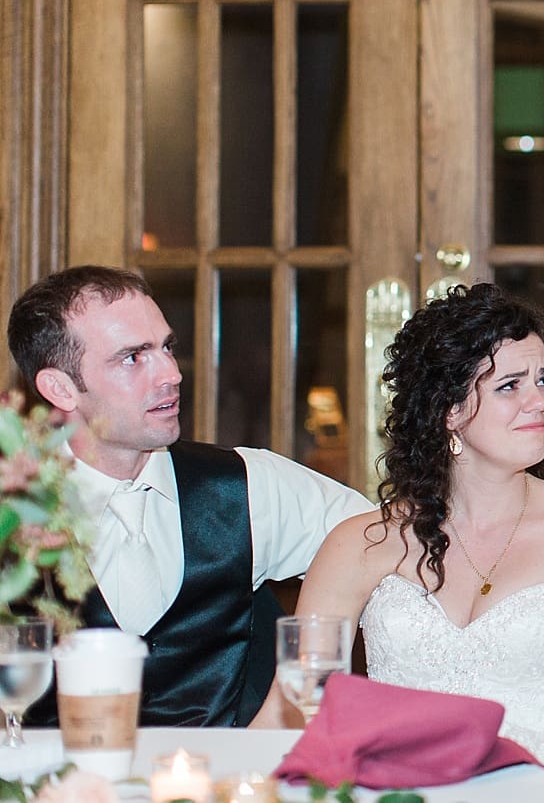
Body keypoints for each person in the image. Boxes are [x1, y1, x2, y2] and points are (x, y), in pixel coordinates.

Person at [259, 283, 544, 802]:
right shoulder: (359, 543)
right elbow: (286, 710)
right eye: (510, 386)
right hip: (395, 790)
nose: (540, 402)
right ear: (449, 410)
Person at [5, 265, 374, 726]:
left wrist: (289, 697)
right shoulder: (11, 513)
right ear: (60, 388)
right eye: (133, 358)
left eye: (166, 347)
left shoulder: (247, 485)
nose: (171, 374)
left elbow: (387, 542)